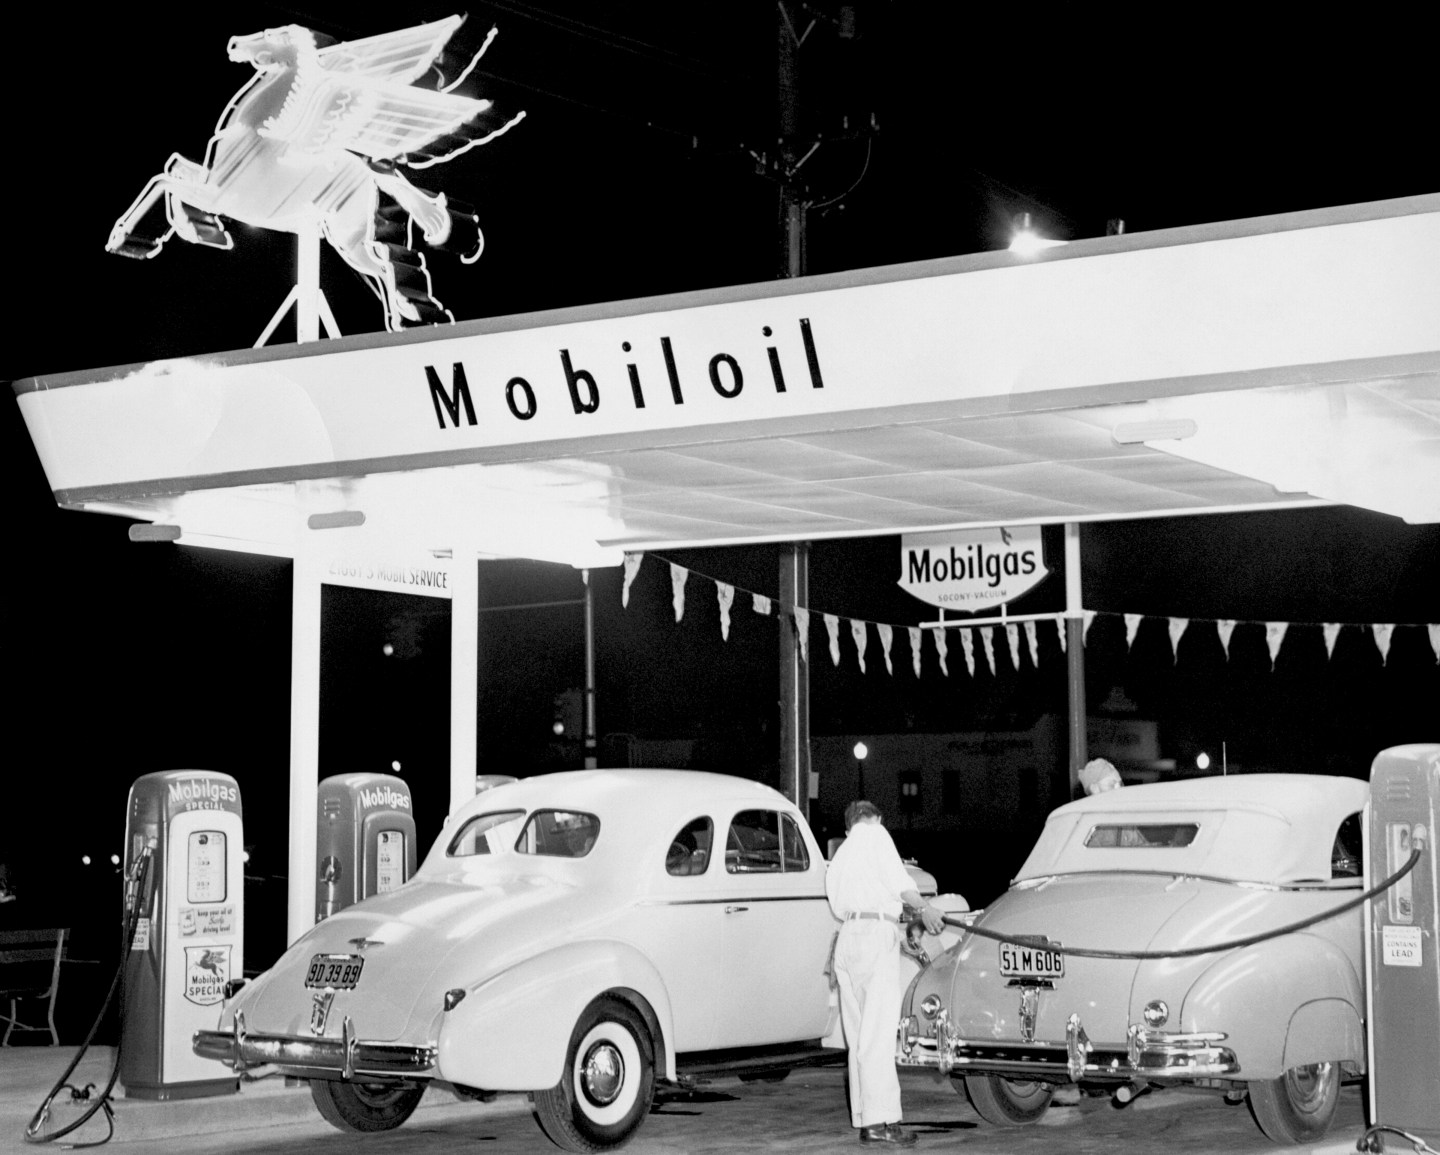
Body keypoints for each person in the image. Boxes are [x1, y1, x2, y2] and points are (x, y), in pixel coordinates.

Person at [825, 800, 946, 1147]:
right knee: (877, 1035)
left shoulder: (841, 854)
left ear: (848, 826)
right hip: (875, 935)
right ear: (875, 818)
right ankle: (881, 1123)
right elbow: (899, 883)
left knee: (858, 1036)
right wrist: (925, 908)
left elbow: (840, 903)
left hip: (848, 937)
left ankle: (866, 1117)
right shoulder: (876, 835)